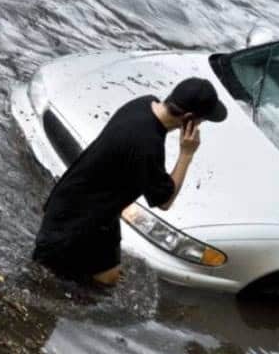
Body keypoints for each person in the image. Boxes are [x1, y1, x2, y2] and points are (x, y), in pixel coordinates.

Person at [32, 77, 227, 286]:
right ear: (189, 118)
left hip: (95, 211)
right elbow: (165, 201)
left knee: (108, 279)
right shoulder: (147, 144)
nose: (199, 125)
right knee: (43, 283)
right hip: (74, 223)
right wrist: (186, 154)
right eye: (202, 120)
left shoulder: (143, 104)